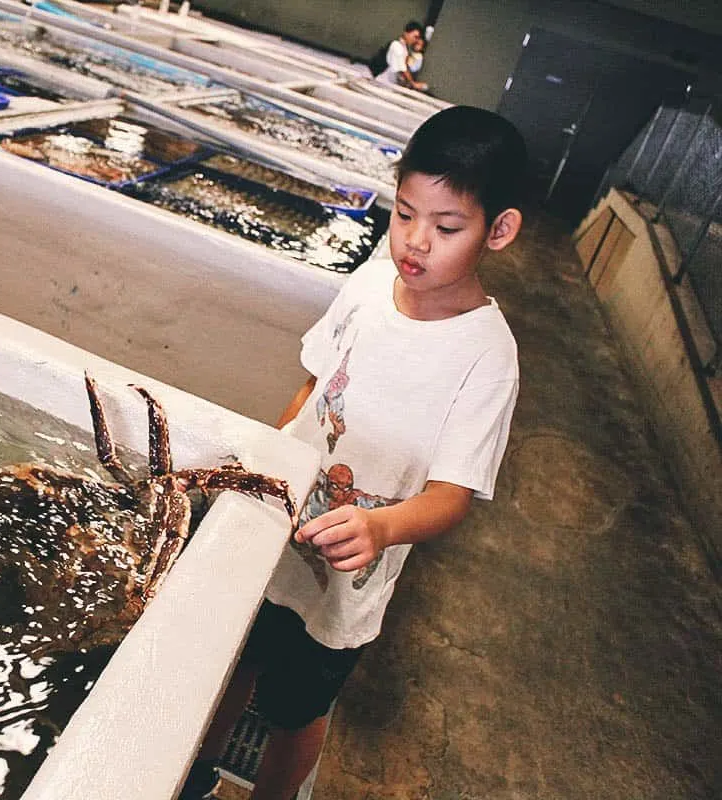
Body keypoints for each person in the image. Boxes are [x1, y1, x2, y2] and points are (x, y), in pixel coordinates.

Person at [177, 105, 528, 800]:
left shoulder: (488, 358)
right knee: (222, 661)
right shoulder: (371, 282)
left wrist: (379, 528)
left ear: (501, 230)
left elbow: (452, 496)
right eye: (404, 214)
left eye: (446, 227)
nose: (415, 242)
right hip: (269, 528)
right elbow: (313, 385)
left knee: (294, 710)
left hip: (342, 580)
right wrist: (267, 459)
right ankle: (190, 775)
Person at [376, 20, 428, 92]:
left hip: (390, 85)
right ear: (406, 33)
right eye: (415, 37)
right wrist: (414, 84)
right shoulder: (397, 46)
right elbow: (403, 69)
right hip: (382, 84)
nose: (415, 40)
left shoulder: (405, 48)